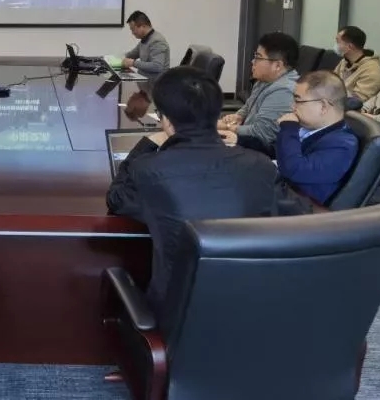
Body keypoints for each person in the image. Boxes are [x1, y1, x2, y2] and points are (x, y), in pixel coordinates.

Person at [106, 66, 278, 317]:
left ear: (165, 120)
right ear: (217, 113)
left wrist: (147, 144)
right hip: (254, 310)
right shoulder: (261, 166)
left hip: (177, 319)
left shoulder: (149, 170)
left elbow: (116, 199)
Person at [275, 70, 359, 205]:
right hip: (281, 190)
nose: (292, 106)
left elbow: (294, 169)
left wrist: (289, 128)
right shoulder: (313, 129)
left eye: (298, 100)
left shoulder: (342, 145)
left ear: (323, 106)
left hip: (298, 207)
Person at [219, 32, 300, 153]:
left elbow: (261, 134)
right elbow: (248, 107)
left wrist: (228, 127)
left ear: (277, 65)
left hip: (260, 151)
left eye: (258, 57)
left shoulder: (284, 91)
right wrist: (239, 116)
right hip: (246, 141)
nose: (253, 61)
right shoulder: (264, 80)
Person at [333, 25, 380, 102]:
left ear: (350, 46)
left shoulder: (372, 71)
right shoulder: (345, 61)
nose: (335, 45)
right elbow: (332, 81)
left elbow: (357, 101)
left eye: (338, 42)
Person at [121, 11, 170, 77]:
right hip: (143, 80)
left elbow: (157, 66)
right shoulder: (144, 39)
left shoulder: (157, 41)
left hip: (155, 82)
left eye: (133, 29)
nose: (132, 33)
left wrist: (133, 63)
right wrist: (117, 58)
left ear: (143, 26)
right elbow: (131, 55)